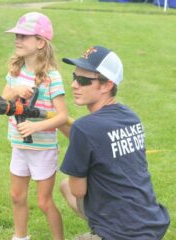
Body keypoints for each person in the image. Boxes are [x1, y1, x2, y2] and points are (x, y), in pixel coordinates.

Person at [59, 46, 170, 240]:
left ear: (107, 85)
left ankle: (102, 232)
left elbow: (78, 191)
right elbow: (96, 141)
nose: (74, 85)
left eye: (84, 80)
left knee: (68, 186)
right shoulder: (131, 117)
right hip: (151, 221)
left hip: (123, 233)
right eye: (74, 77)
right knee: (65, 185)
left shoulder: (84, 128)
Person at [1, 12, 68, 240]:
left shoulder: (52, 77)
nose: (17, 40)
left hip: (43, 149)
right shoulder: (15, 72)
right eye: (17, 35)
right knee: (17, 196)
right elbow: (3, 102)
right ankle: (20, 237)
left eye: (24, 36)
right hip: (19, 145)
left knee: (44, 202)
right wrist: (15, 90)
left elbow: (62, 117)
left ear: (40, 42)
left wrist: (36, 127)